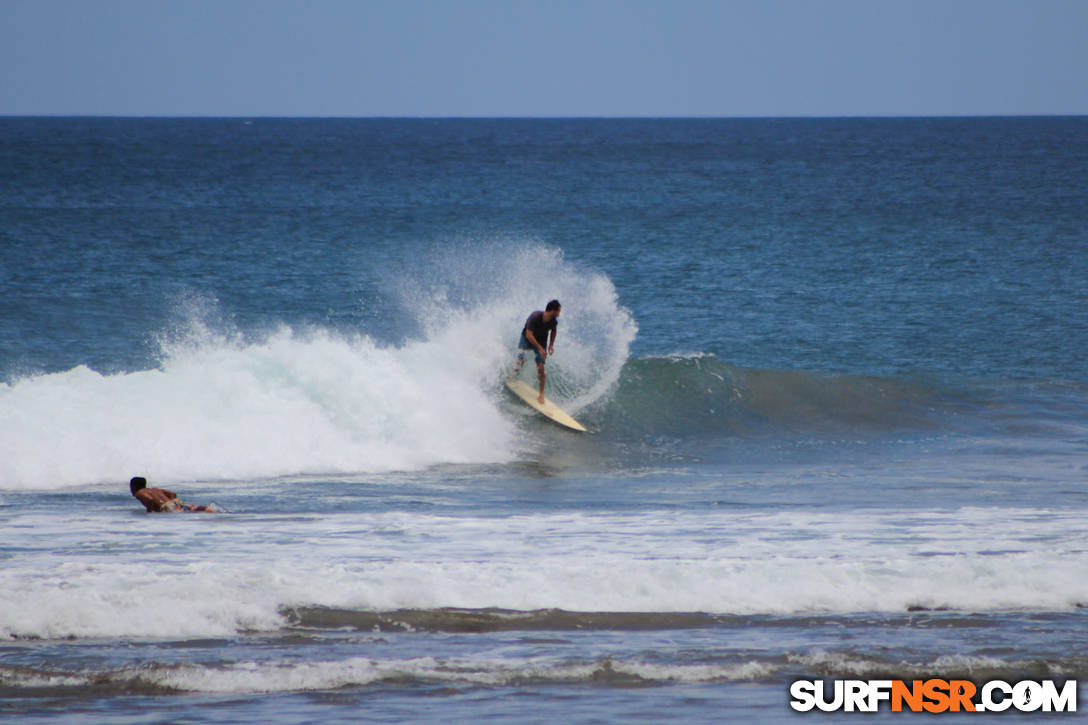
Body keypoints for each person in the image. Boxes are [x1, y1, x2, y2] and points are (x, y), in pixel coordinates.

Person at [511, 299, 561, 404]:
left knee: (541, 368)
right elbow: (529, 335)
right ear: (552, 310)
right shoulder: (535, 317)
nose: (559, 314)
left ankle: (541, 394)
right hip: (527, 338)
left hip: (541, 341)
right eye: (558, 311)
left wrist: (551, 344)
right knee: (521, 360)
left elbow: (554, 330)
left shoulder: (553, 321)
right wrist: (540, 348)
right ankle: (513, 378)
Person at [129, 476, 220, 513]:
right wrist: (173, 502)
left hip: (166, 506)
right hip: (173, 501)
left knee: (187, 512)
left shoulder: (139, 493)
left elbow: (150, 500)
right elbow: (172, 494)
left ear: (133, 487)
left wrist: (150, 512)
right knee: (192, 509)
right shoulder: (154, 489)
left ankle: (210, 511)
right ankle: (211, 510)